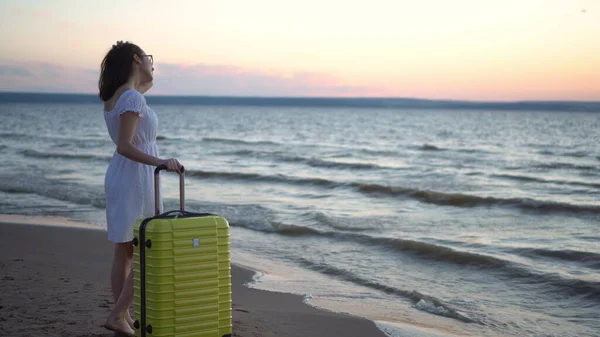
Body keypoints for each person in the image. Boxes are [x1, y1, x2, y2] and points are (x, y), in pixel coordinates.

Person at [98, 41, 182, 336]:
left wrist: (146, 77)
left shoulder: (117, 98)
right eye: (148, 58)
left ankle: (123, 316)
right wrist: (160, 161)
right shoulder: (132, 98)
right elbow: (125, 146)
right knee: (148, 250)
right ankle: (119, 313)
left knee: (124, 251)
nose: (151, 63)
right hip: (136, 177)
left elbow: (139, 94)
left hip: (121, 177)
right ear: (136, 59)